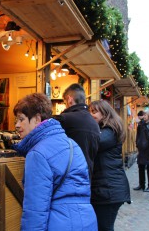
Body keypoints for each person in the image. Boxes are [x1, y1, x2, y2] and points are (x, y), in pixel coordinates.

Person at [13, 93, 97, 230]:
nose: (17, 125)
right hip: (87, 220)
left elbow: (35, 210)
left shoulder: (37, 153)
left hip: (60, 223)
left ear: (37, 119)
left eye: (21, 119)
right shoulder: (72, 144)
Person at [89, 100, 130, 231]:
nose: (91, 115)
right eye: (90, 111)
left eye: (94, 112)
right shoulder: (105, 129)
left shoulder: (110, 131)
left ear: (105, 113)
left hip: (109, 189)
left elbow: (94, 143)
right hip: (107, 189)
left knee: (104, 227)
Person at [54, 83, 100, 180]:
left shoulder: (65, 119)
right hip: (87, 177)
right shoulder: (93, 122)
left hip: (69, 178)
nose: (65, 106)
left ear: (69, 99)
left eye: (65, 102)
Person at [133, 110, 149, 192]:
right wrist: (137, 144)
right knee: (141, 167)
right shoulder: (141, 124)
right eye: (144, 115)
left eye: (146, 115)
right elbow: (138, 135)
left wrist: (146, 126)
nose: (144, 116)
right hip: (141, 148)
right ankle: (141, 184)